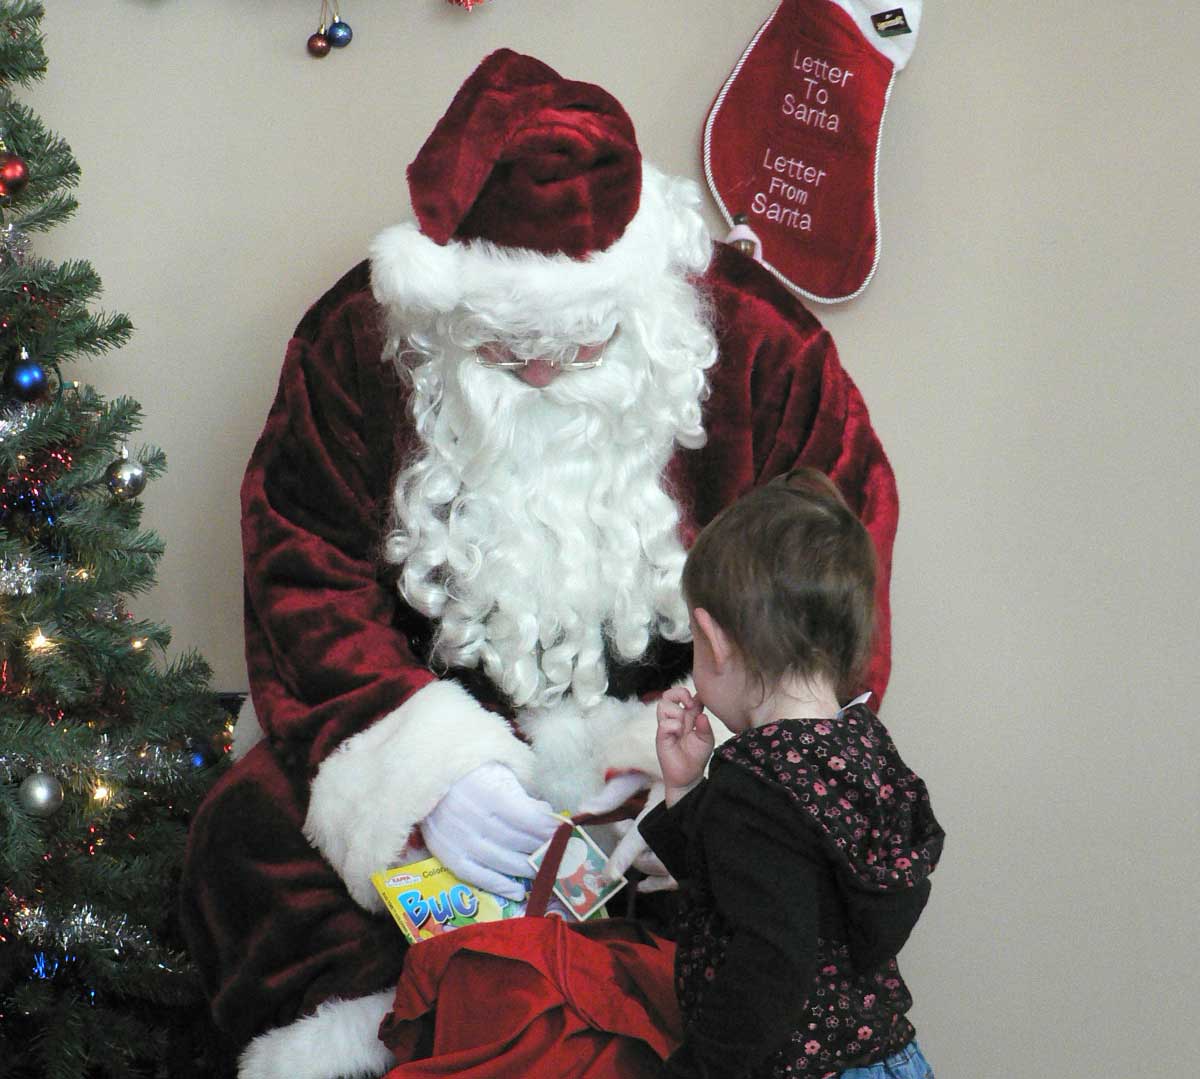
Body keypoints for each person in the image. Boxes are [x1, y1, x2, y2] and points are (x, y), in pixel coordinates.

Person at [180, 49, 900, 1079]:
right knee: (248, 838)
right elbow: (301, 564)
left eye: (578, 345)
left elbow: (835, 576)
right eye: (503, 346)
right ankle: (392, 1043)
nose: (542, 370)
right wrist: (427, 772)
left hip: (679, 730)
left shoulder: (762, 347)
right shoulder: (360, 342)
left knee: (768, 891)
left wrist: (703, 777)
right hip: (439, 704)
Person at [640, 468, 944, 1079]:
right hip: (890, 1060)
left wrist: (693, 1070)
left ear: (713, 641)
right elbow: (763, 887)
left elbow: (772, 958)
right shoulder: (862, 748)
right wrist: (687, 791)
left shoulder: (755, 784)